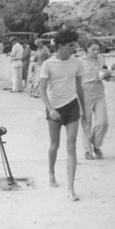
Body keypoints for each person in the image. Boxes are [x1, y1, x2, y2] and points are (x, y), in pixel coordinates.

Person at [39, 28, 86, 202]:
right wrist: (51, 109)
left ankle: (71, 188)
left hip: (72, 105)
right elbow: (42, 90)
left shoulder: (77, 63)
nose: (73, 48)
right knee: (54, 145)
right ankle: (51, 172)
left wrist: (85, 110)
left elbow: (80, 87)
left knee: (72, 146)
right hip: (54, 107)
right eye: (70, 45)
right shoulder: (48, 64)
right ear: (59, 46)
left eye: (74, 45)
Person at [80, 39, 115, 160]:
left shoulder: (101, 59)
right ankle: (87, 151)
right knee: (86, 123)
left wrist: (110, 76)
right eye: (93, 50)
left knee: (103, 122)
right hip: (85, 93)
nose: (96, 52)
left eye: (98, 49)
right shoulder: (80, 62)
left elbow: (103, 75)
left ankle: (96, 144)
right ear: (87, 50)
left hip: (99, 93)